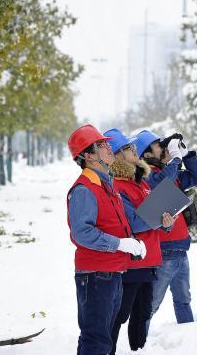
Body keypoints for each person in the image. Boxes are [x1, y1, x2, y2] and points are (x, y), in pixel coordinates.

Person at [66, 124, 147, 355]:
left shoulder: (106, 184)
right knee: (97, 341)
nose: (109, 148)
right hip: (96, 276)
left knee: (104, 340)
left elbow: (115, 224)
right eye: (102, 145)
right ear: (89, 155)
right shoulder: (85, 189)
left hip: (112, 273)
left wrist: (131, 241)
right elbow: (82, 233)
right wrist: (120, 244)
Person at [103, 128, 174, 353]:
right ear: (117, 156)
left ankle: (139, 350)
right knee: (120, 314)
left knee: (142, 315)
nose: (134, 150)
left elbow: (151, 217)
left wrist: (166, 220)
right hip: (131, 263)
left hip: (149, 259)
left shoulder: (141, 182)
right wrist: (156, 218)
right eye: (127, 148)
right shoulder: (118, 186)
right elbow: (133, 223)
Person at [133, 130, 197, 326]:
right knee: (152, 304)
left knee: (183, 301)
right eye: (158, 145)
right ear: (146, 155)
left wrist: (186, 155)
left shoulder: (170, 174)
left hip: (181, 249)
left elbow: (196, 177)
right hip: (164, 251)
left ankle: (188, 339)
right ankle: (139, 344)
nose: (163, 147)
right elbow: (161, 182)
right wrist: (175, 159)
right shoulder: (147, 177)